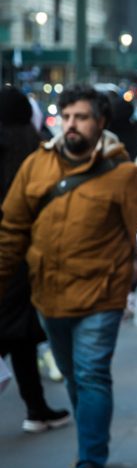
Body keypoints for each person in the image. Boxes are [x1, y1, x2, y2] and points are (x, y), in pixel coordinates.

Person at [0, 84, 137, 468]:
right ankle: (91, 446)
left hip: (100, 299)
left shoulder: (125, 176)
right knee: (73, 376)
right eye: (66, 117)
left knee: (91, 376)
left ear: (100, 123)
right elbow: (11, 230)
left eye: (81, 117)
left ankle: (91, 466)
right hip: (48, 296)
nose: (71, 125)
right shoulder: (37, 165)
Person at [0, 86, 69, 433]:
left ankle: (37, 408)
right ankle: (36, 408)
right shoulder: (35, 152)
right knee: (21, 334)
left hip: (9, 256)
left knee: (18, 336)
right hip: (24, 257)